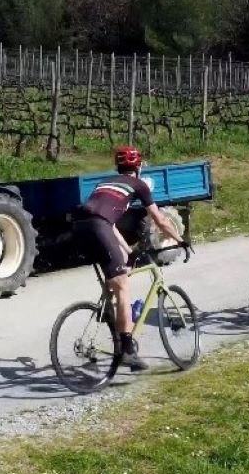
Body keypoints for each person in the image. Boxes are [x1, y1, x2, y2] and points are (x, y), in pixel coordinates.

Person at [72, 146, 187, 370]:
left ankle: (114, 328)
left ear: (118, 167)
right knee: (123, 285)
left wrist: (129, 251)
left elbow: (109, 224)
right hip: (98, 227)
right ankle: (127, 350)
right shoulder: (138, 185)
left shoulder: (104, 183)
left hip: (80, 228)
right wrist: (180, 240)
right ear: (139, 167)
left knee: (115, 283)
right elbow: (161, 221)